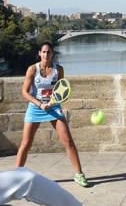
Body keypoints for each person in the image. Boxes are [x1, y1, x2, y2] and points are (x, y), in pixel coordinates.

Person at [14, 42, 89, 188]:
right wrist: (40, 104)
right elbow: (24, 92)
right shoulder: (32, 69)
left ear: (52, 54)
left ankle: (79, 175)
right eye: (44, 52)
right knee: (25, 144)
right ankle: (16, 176)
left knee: (68, 141)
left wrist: (54, 102)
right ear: (39, 53)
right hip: (35, 108)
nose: (46, 55)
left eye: (49, 52)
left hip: (54, 108)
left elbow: (62, 90)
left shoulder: (58, 70)